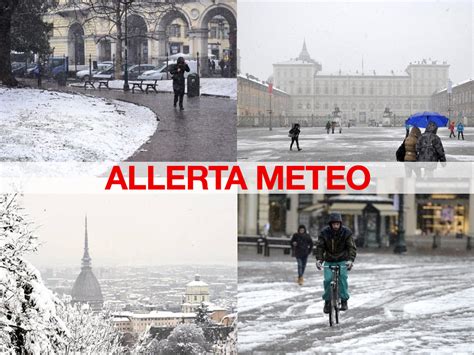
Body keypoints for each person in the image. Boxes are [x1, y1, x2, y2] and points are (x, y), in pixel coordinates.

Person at [315, 213, 356, 313]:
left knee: (342, 278)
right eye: (334, 224)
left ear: (340, 224)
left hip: (342, 259)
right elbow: (320, 247)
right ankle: (327, 302)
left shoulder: (346, 232)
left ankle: (344, 300)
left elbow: (351, 247)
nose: (335, 226)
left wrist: (350, 260)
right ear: (330, 224)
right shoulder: (324, 233)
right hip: (329, 259)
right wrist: (319, 259)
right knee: (328, 280)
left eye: (337, 224)